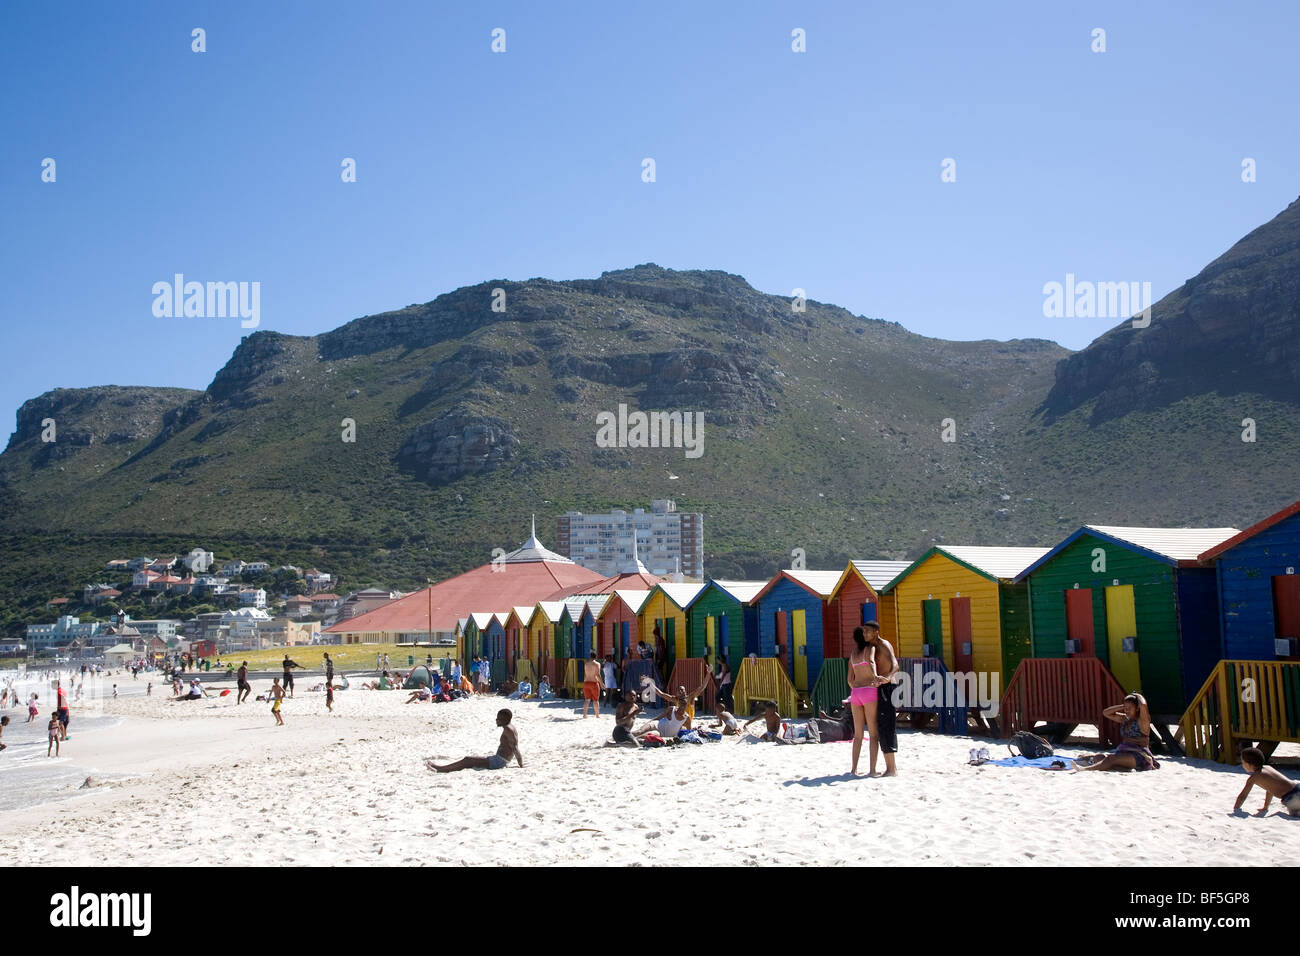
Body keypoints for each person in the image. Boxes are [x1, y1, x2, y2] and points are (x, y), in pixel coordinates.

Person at [1076, 694, 1160, 772]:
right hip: (1124, 752)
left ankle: (1084, 769)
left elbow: (1143, 705)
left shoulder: (1142, 722)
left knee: (1111, 759)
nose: (1127, 710)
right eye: (1125, 708)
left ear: (1137, 708)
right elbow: (1105, 713)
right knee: (1099, 757)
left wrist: (1137, 695)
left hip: (1139, 756)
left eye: (1130, 708)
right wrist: (1122, 706)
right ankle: (1122, 768)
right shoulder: (1124, 719)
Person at [426, 709, 523, 772]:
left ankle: (440, 769)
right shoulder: (510, 727)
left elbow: (514, 747)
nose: (496, 720)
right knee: (471, 760)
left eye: (499, 718)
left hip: (499, 762)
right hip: (499, 759)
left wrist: (520, 764)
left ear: (506, 719)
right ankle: (441, 768)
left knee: (467, 760)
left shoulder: (508, 729)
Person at [863, 620, 898, 776]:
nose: (865, 634)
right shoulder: (871, 647)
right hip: (880, 687)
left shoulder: (883, 644)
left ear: (876, 632)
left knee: (887, 725)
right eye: (864, 631)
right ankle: (889, 767)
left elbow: (896, 664)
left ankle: (892, 768)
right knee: (881, 726)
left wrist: (887, 678)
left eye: (867, 631)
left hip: (888, 687)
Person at [848, 625, 880, 775]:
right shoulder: (870, 649)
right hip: (868, 690)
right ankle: (872, 770)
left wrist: (856, 688)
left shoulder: (853, 654)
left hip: (856, 693)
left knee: (858, 735)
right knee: (873, 733)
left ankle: (854, 769)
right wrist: (875, 677)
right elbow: (872, 662)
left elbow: (849, 679)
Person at [1234, 746, 1300, 816]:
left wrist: (1236, 808)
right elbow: (1270, 789)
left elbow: (1243, 796)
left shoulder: (1254, 778)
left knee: (1295, 814)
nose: (1242, 765)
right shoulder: (1268, 768)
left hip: (1292, 797)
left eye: (1243, 763)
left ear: (1248, 764)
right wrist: (1266, 807)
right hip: (1297, 787)